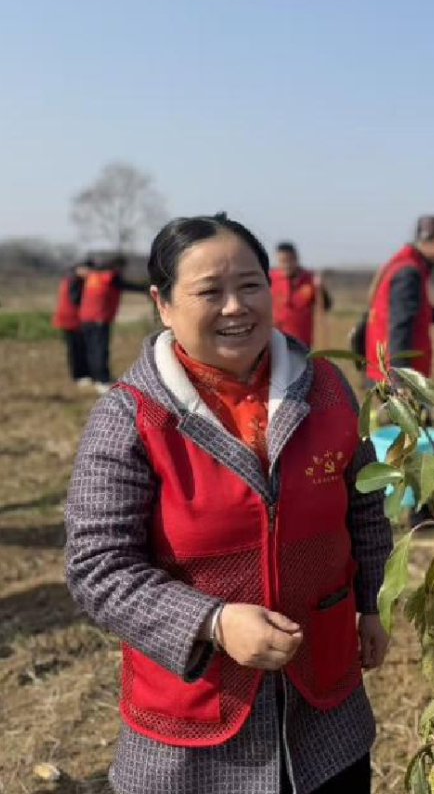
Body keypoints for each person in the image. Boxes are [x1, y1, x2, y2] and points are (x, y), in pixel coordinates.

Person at [65, 213, 393, 794]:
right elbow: (98, 567)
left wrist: (373, 601)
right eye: (209, 292)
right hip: (194, 724)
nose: (236, 307)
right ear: (163, 304)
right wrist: (212, 622)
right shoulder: (132, 417)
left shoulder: (326, 389)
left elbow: (362, 504)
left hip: (326, 703)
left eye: (249, 286)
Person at [364, 215, 434, 382]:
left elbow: (422, 309)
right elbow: (400, 326)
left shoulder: (405, 264)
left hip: (386, 374)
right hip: (395, 380)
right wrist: (401, 382)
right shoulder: (408, 273)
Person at [78, 255, 148, 393]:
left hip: (86, 318)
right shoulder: (111, 277)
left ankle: (96, 375)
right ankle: (102, 380)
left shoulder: (93, 276)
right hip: (99, 318)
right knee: (100, 350)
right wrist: (146, 288)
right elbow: (127, 286)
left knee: (92, 349)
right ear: (118, 267)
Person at [270, 241, 332, 348]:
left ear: (296, 259)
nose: (285, 265)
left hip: (302, 342)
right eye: (282, 261)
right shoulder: (270, 279)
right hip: (276, 340)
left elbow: (326, 306)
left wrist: (321, 289)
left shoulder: (310, 279)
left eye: (288, 261)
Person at [52, 259, 93, 386]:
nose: (89, 273)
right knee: (76, 349)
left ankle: (84, 374)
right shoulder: (74, 281)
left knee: (80, 348)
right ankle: (79, 376)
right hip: (70, 320)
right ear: (79, 269)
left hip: (72, 319)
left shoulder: (71, 278)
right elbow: (75, 299)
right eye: (87, 270)